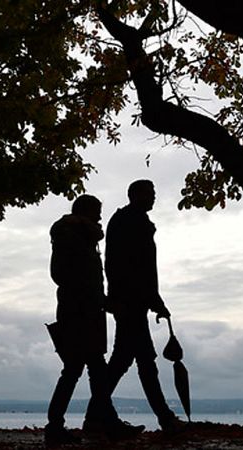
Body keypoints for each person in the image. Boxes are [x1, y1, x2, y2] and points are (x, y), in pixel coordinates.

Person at [45, 194, 144, 446]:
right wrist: (103, 302)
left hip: (84, 312)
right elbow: (75, 278)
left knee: (83, 371)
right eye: (97, 211)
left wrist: (101, 303)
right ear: (86, 211)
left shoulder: (80, 236)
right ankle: (70, 425)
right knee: (87, 371)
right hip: (79, 314)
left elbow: (83, 279)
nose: (101, 216)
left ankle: (68, 425)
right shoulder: (72, 235)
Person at [104, 180, 185, 432]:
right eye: (149, 193)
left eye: (154, 193)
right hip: (130, 302)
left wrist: (153, 300)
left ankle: (97, 415)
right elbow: (136, 268)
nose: (153, 198)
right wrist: (153, 300)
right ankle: (165, 418)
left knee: (128, 361)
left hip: (130, 301)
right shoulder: (131, 222)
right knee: (139, 362)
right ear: (134, 195)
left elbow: (135, 268)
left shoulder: (129, 221)